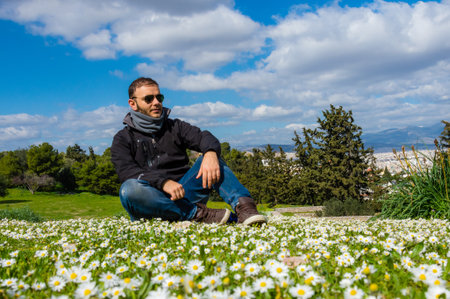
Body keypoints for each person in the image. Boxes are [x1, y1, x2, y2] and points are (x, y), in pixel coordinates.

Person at [111, 77, 267, 225]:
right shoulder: (122, 138)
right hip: (152, 201)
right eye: (149, 99)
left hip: (185, 194)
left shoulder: (175, 126)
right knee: (129, 189)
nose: (156, 102)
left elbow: (204, 137)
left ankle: (246, 210)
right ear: (133, 103)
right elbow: (127, 172)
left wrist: (211, 153)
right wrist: (163, 183)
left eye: (159, 97)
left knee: (212, 160)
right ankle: (197, 215)